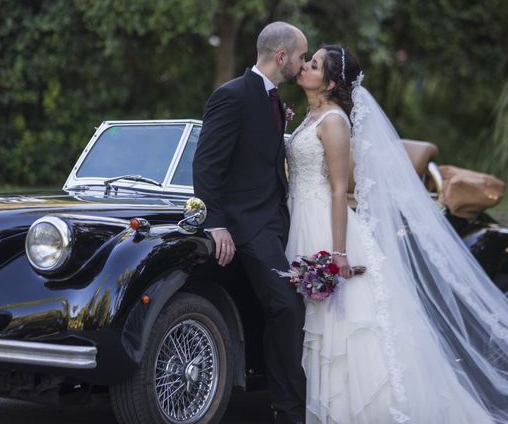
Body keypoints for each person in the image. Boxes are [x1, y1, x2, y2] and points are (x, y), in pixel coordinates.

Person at [286, 44, 508, 423]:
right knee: (319, 326)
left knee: (345, 329)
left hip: (326, 226)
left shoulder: (335, 121)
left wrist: (338, 254)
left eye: (314, 64)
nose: (305, 66)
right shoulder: (311, 117)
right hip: (301, 219)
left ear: (331, 81)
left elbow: (340, 188)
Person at [193, 21, 308, 424]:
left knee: (293, 304)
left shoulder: (273, 99)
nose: (303, 63)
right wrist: (217, 224)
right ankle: (289, 409)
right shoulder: (232, 96)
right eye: (301, 56)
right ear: (282, 57)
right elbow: (207, 165)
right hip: (246, 226)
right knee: (286, 305)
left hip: (276, 222)